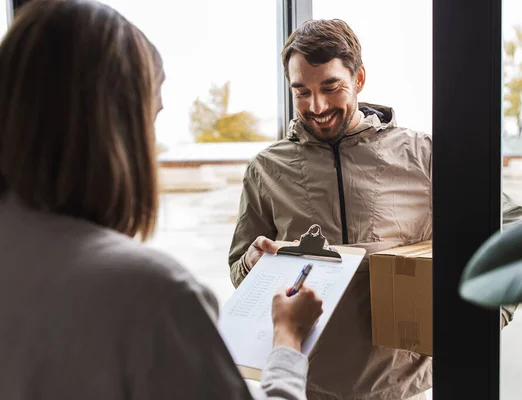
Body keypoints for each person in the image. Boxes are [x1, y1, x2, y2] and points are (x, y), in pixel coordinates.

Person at [0, 1, 323, 399]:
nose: (152, 146)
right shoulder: (154, 296)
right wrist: (288, 338)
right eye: (150, 119)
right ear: (115, 127)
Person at [228, 19, 522, 400]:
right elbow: (240, 269)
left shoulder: (424, 155)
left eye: (330, 87)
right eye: (301, 91)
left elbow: (514, 227)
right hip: (306, 385)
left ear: (359, 79)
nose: (316, 106)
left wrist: (489, 317)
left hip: (406, 388)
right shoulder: (266, 169)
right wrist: (252, 264)